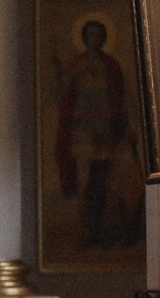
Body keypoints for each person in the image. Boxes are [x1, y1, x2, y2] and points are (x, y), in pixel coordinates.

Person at [55, 19, 139, 248]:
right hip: (83, 132)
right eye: (90, 35)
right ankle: (87, 230)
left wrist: (124, 127)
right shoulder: (76, 64)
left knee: (103, 181)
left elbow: (120, 99)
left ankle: (102, 229)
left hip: (106, 132)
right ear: (84, 38)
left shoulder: (111, 65)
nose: (94, 38)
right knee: (87, 182)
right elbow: (64, 95)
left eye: (98, 34)